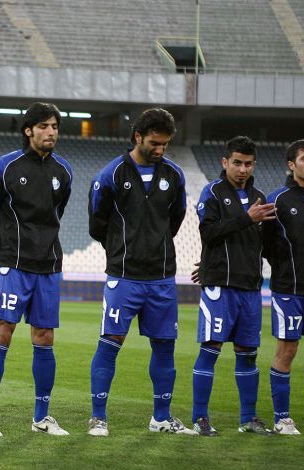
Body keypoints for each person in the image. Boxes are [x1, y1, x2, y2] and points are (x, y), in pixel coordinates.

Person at [87, 108, 194, 436]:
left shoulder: (174, 175)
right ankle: (98, 418)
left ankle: (161, 418)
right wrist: (124, 250)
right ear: (138, 137)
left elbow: (175, 219)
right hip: (124, 276)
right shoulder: (111, 174)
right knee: (110, 343)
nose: (160, 149)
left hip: (161, 278)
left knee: (165, 347)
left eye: (165, 144)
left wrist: (153, 246)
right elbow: (97, 224)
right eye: (154, 143)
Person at [0, 102, 72, 437]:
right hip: (13, 265)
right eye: (44, 126)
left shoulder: (63, 171)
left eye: (55, 126)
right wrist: (8, 247)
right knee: (3, 331)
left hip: (49, 265)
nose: (51, 132)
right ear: (28, 130)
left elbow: (57, 211)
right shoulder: (5, 167)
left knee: (45, 337)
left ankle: (41, 417)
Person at [190, 136, 274, 436]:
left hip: (250, 287)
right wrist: (246, 218)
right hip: (220, 286)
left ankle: (248, 419)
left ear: (254, 165)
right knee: (210, 349)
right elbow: (209, 233)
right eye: (237, 163)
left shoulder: (260, 196)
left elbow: (264, 244)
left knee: (248, 353)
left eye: (248, 164)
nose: (242, 169)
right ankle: (200, 418)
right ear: (225, 162)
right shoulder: (212, 192)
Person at [263, 139, 304, 435]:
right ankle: (282, 419)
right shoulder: (277, 200)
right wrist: (285, 270)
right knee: (287, 352)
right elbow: (264, 246)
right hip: (289, 291)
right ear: (291, 165)